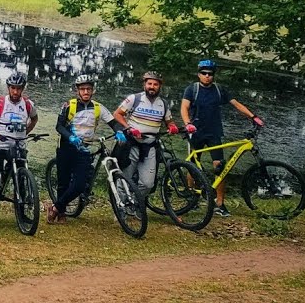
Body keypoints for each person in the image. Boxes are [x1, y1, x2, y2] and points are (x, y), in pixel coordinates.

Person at [180, 59, 264, 217]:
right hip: (196, 132)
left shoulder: (219, 90)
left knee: (220, 166)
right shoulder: (192, 89)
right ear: (199, 74)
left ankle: (220, 203)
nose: (207, 76)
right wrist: (187, 123)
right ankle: (191, 198)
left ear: (213, 75)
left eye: (210, 74)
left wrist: (253, 117)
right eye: (204, 73)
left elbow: (236, 104)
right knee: (192, 166)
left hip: (214, 133)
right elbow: (184, 107)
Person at [50, 74, 121, 222]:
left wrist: (119, 131)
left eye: (89, 89)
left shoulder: (98, 108)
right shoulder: (69, 106)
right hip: (66, 147)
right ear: (77, 91)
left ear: (93, 90)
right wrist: (70, 137)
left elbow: (113, 122)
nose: (86, 92)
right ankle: (61, 213)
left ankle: (56, 207)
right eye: (82, 89)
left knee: (80, 185)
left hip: (83, 149)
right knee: (63, 182)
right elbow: (59, 126)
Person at [113, 71, 180, 201]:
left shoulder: (163, 104)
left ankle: (134, 202)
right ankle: (121, 206)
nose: (152, 87)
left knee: (148, 184)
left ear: (160, 86)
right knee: (125, 178)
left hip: (150, 146)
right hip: (132, 143)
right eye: (149, 83)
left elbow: (169, 121)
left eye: (155, 84)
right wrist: (129, 128)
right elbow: (117, 114)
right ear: (144, 84)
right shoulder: (134, 98)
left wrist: (172, 127)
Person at [0, 72, 39, 207]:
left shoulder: (28, 104)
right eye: (13, 88)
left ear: (23, 88)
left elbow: (34, 119)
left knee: (20, 180)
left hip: (19, 147)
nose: (15, 91)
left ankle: (22, 212)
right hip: (0, 146)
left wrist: (26, 132)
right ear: (8, 88)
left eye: (18, 88)